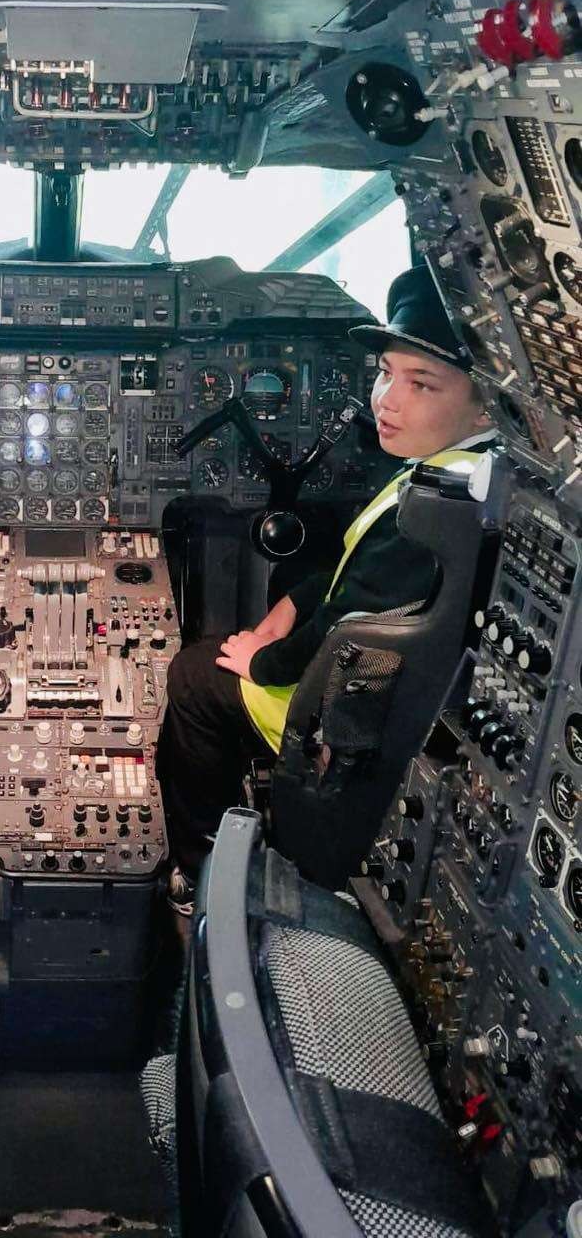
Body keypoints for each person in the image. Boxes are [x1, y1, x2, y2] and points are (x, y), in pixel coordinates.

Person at [156, 265, 499, 911]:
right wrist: (295, 599)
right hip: (388, 683)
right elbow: (361, 580)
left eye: (421, 383)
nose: (387, 401)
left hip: (345, 709)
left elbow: (347, 628)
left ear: (487, 403)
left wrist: (262, 661)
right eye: (385, 373)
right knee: (285, 586)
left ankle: (199, 871)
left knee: (195, 678)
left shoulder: (441, 503)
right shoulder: (464, 469)